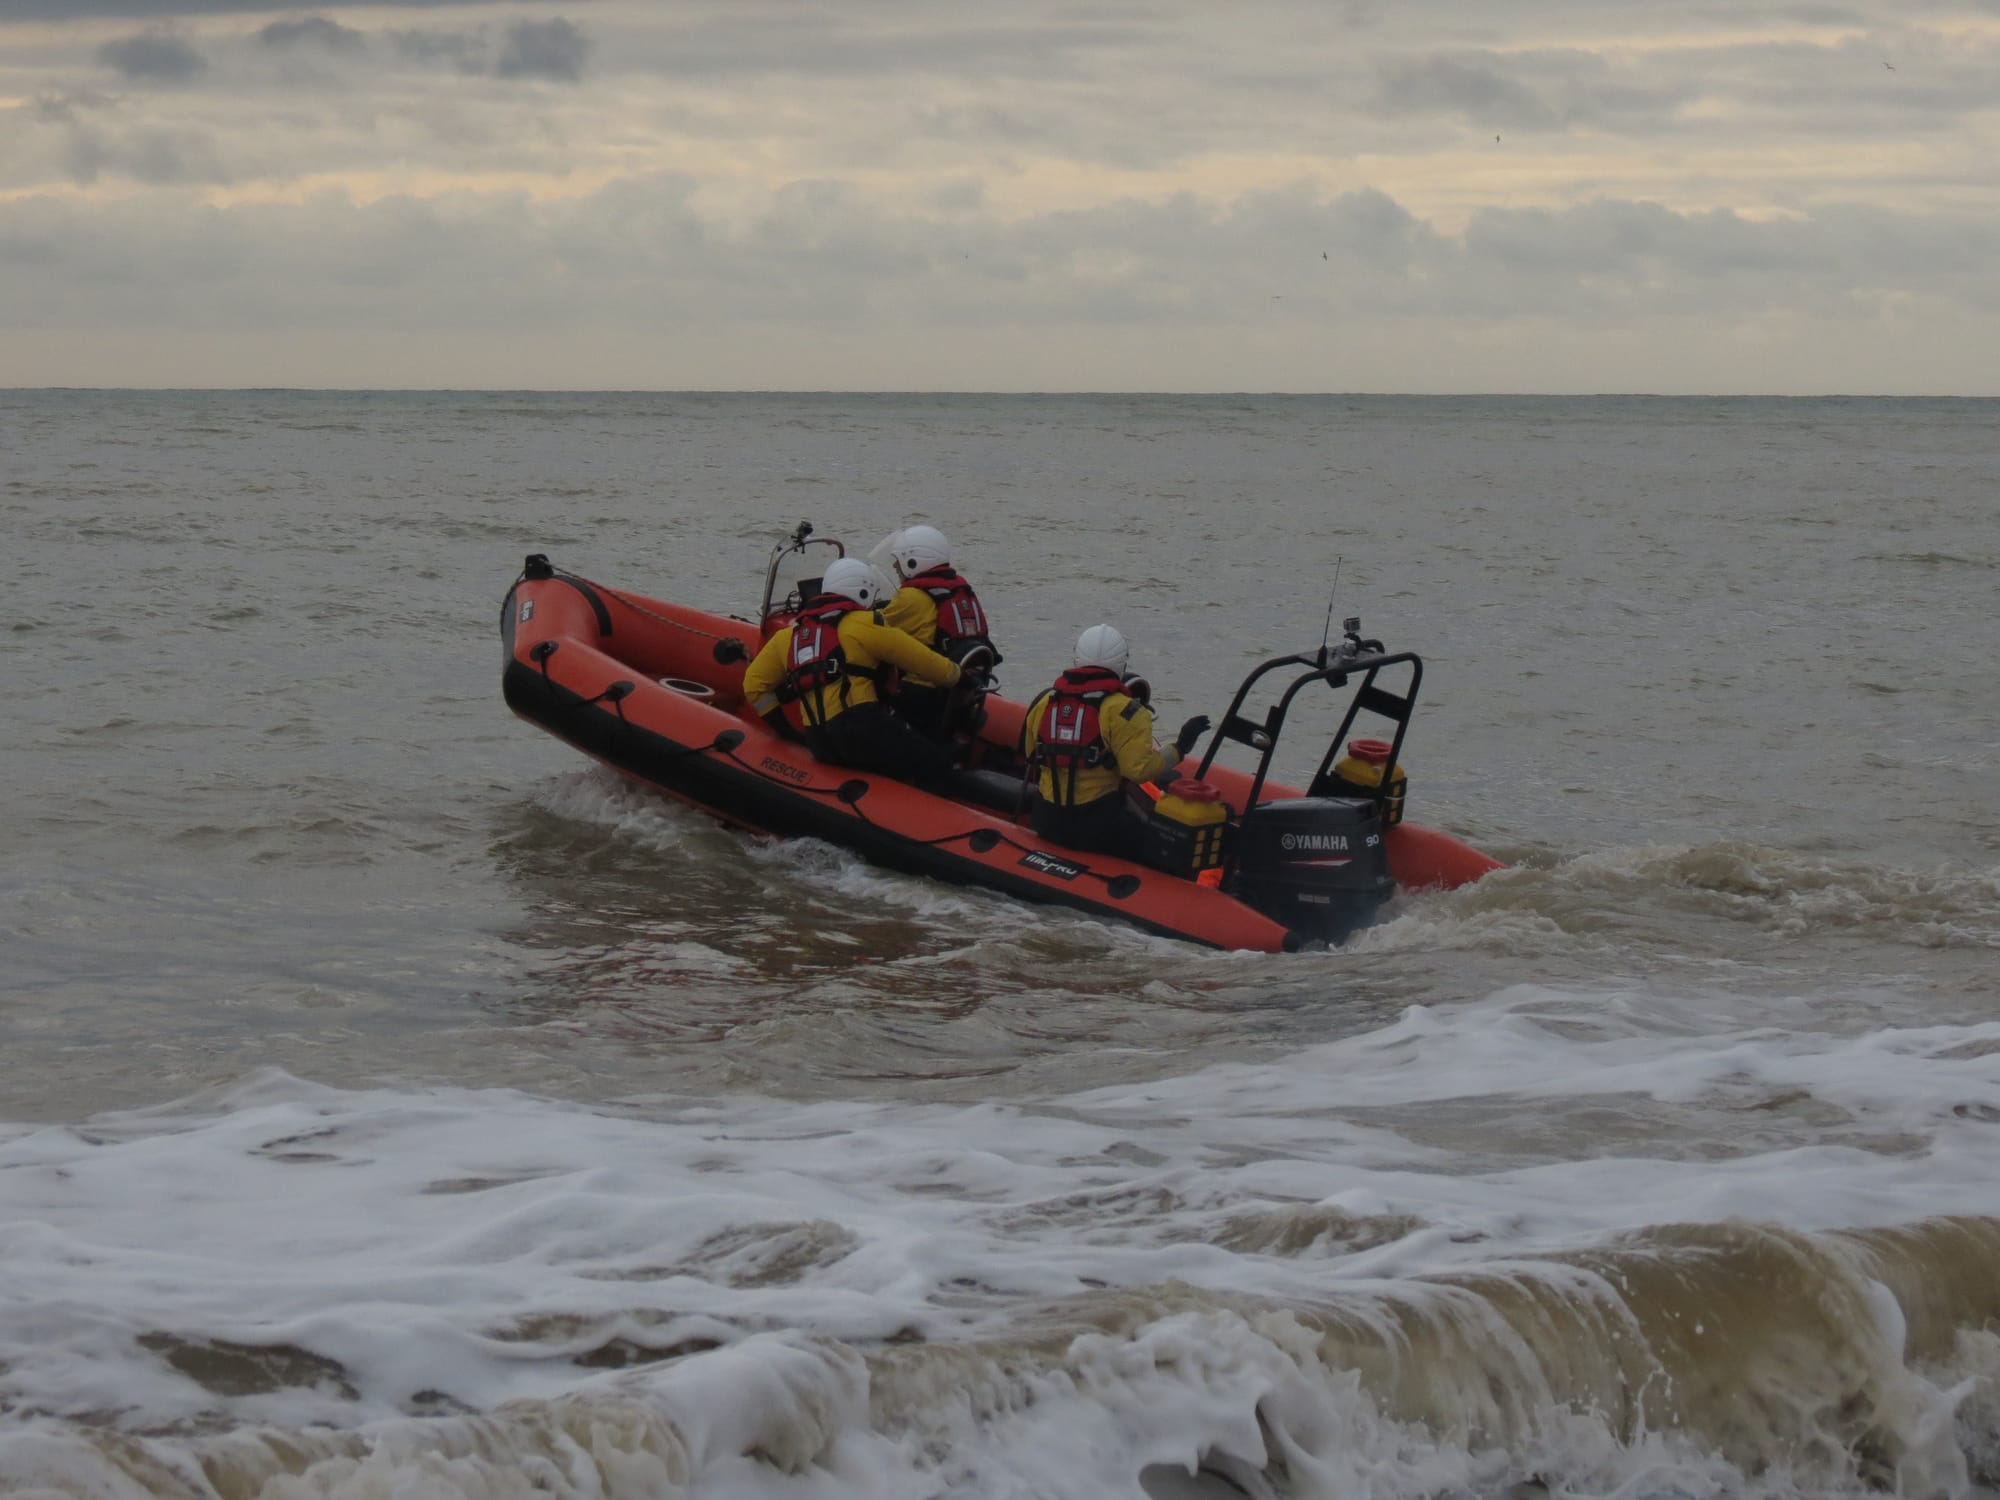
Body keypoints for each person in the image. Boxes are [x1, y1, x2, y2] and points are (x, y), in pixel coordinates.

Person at [743, 556, 966, 790]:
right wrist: (959, 676)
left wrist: (785, 730)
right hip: (862, 728)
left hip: (819, 741)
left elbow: (754, 685)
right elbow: (923, 661)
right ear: (863, 591)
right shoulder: (865, 623)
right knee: (938, 762)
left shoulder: (790, 635)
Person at [1019, 624, 1210, 862]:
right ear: (1122, 664)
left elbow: (1029, 752)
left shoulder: (1046, 701)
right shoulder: (1127, 710)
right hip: (1097, 827)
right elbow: (1138, 770)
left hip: (1046, 820)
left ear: (1077, 657)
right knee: (1159, 843)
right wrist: (1180, 747)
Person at [879, 525, 1001, 742]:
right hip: (958, 691)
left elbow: (873, 628)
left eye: (898, 566)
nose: (896, 571)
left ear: (913, 561)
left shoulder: (911, 598)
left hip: (923, 695)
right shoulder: (960, 590)